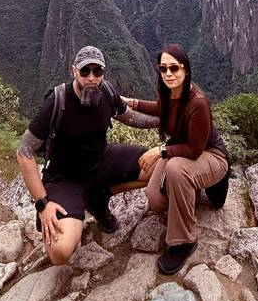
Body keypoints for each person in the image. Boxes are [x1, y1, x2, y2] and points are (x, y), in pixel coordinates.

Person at [17, 44, 159, 265]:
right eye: (85, 72)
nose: (91, 78)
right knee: (60, 252)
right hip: (65, 178)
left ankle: (97, 196)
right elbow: (24, 151)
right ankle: (88, 198)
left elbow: (132, 118)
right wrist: (42, 204)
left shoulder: (107, 92)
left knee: (159, 168)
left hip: (102, 160)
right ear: (74, 71)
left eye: (97, 72)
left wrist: (168, 122)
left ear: (103, 72)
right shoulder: (58, 101)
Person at [123, 43, 229, 274]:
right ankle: (190, 192)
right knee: (155, 199)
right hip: (181, 152)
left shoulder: (198, 102)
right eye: (163, 69)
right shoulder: (172, 95)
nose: (168, 74)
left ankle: (184, 241)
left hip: (209, 156)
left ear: (185, 69)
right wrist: (130, 103)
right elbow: (161, 109)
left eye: (174, 68)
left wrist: (160, 151)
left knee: (175, 169)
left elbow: (193, 151)